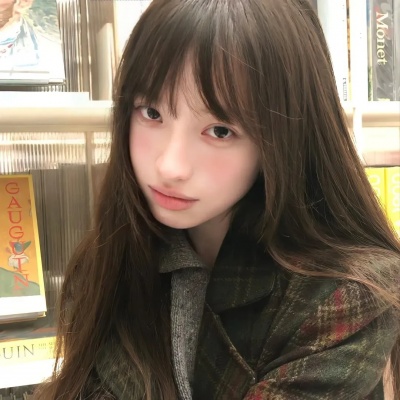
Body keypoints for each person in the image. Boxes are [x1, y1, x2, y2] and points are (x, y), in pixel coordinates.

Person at [34, 0, 400, 399]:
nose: (170, 166)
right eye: (152, 112)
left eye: (220, 131)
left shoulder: (345, 294)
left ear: (284, 139)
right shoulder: (110, 260)